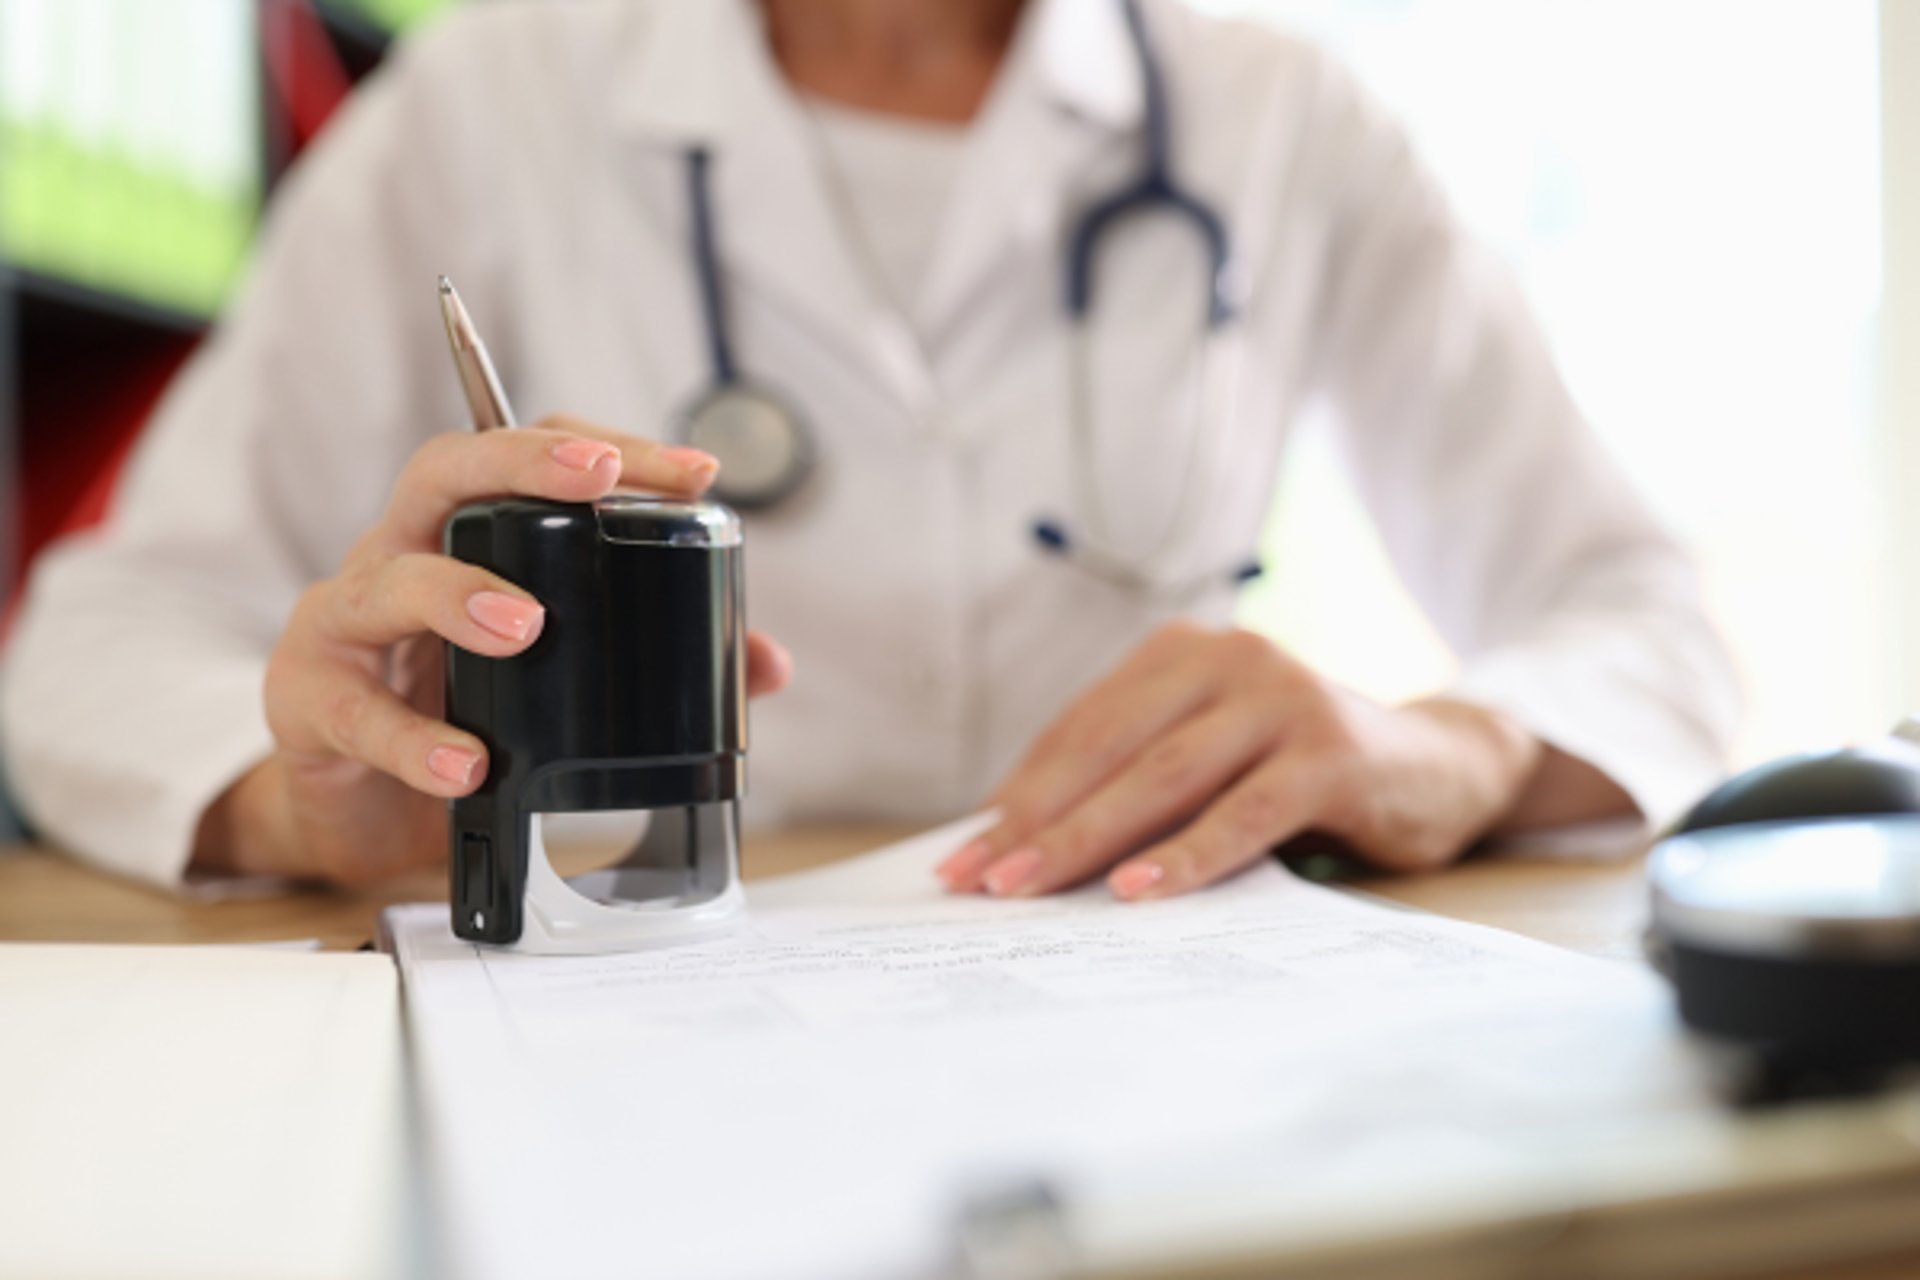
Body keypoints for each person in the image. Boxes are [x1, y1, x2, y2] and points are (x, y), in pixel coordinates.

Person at [0, 0, 1738, 900]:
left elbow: (1643, 617)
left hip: (1146, 969)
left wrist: (1453, 743)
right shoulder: (484, 106)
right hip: (640, 1001)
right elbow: (96, 644)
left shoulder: (1283, 117)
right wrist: (311, 805)